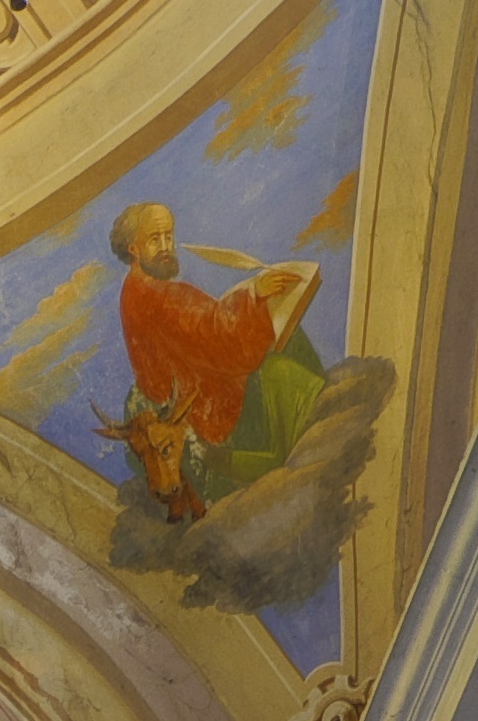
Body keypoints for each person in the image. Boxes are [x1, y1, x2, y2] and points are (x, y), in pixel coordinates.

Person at [103, 197, 323, 503]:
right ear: (134, 249)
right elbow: (215, 332)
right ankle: (320, 418)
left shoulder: (134, 289)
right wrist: (255, 295)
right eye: (155, 239)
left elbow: (200, 329)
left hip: (197, 391)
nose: (166, 246)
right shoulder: (159, 297)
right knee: (285, 344)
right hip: (212, 404)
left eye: (169, 236)